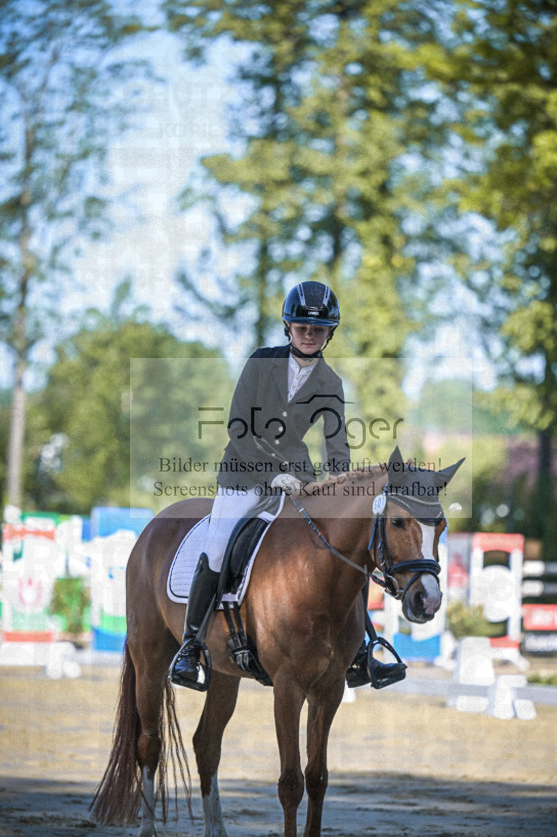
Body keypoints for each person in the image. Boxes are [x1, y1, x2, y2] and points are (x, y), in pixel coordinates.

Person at [169, 280, 403, 690]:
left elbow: (337, 445)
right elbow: (238, 426)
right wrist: (268, 474)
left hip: (298, 482)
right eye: (302, 327)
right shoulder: (261, 362)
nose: (309, 335)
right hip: (243, 475)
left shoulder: (330, 382)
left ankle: (361, 652)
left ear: (329, 333)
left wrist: (341, 490)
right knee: (218, 545)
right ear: (288, 327)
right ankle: (191, 647)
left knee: (342, 548)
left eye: (318, 329)